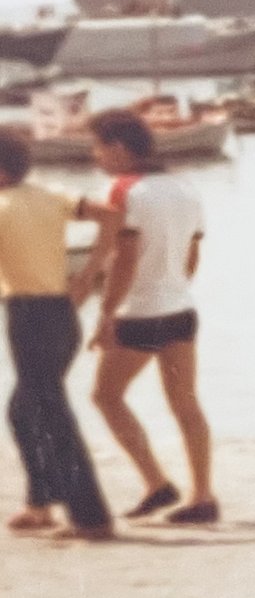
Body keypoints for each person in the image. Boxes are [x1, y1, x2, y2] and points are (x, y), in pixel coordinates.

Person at [76, 109, 216, 524]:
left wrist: (106, 313)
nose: (95, 156)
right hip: (181, 309)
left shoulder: (122, 189)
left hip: (140, 313)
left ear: (118, 148)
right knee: (185, 403)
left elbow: (124, 260)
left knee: (106, 397)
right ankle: (202, 494)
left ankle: (157, 482)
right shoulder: (185, 187)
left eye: (98, 147)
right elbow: (192, 255)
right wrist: (172, 286)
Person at [0, 130, 113, 540]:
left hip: (29, 317)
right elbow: (112, 215)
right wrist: (89, 273)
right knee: (24, 410)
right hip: (61, 316)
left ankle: (91, 516)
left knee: (49, 413)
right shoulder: (49, 194)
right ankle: (40, 503)